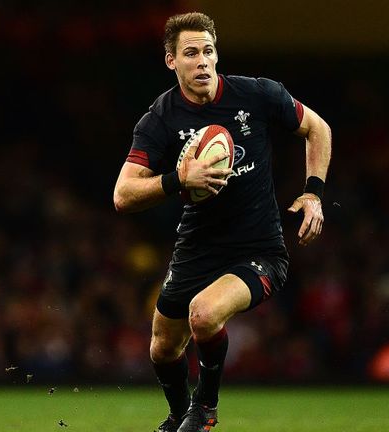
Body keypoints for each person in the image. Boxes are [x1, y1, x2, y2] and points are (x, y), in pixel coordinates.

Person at [113, 12, 332, 432]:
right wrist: (180, 179)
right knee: (162, 346)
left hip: (259, 251)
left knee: (203, 314)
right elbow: (123, 195)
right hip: (196, 248)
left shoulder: (258, 95)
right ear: (170, 61)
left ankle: (205, 409)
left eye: (208, 51)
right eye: (191, 53)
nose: (202, 62)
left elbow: (317, 128)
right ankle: (180, 416)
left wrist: (314, 194)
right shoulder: (161, 118)